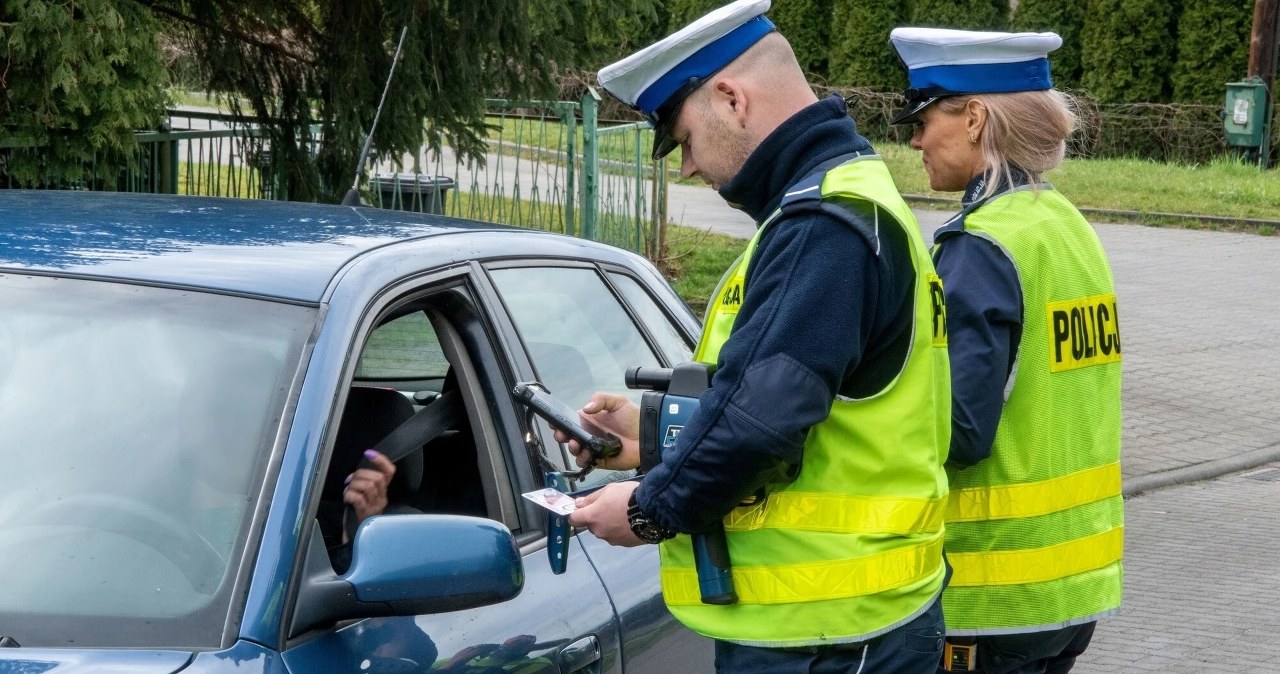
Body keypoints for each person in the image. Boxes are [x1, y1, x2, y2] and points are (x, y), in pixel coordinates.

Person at [564, 1, 952, 671]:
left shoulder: (822, 227)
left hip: (825, 634)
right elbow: (811, 402)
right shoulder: (845, 200)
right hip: (852, 622)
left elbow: (760, 422)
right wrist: (649, 430)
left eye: (683, 139)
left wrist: (651, 509)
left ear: (731, 98)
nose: (686, 168)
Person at [888, 27, 1125, 674]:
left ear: (974, 117)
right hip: (1072, 587)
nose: (913, 140)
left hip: (987, 596)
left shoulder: (979, 246)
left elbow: (959, 431)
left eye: (923, 118)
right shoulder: (1066, 226)